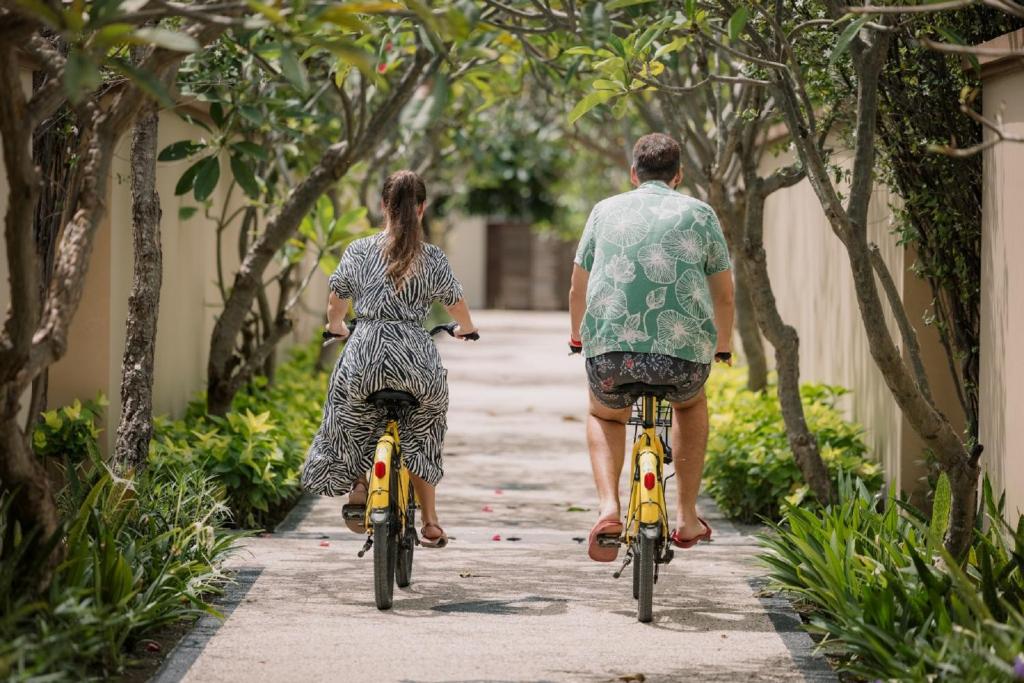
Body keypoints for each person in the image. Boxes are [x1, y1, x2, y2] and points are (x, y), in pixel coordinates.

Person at [568, 133, 735, 562]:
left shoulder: (604, 210)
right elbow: (724, 295)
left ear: (633, 173)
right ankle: (687, 516)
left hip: (611, 357)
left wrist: (577, 338)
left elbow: (577, 288)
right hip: (682, 359)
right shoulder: (701, 214)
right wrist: (723, 347)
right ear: (678, 175)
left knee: (603, 413)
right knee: (690, 406)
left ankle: (608, 509)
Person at [301, 170, 477, 548]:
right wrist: (466, 328)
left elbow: (336, 301)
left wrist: (336, 326)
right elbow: (456, 303)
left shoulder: (359, 251)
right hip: (416, 361)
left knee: (346, 413)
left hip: (364, 353)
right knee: (426, 427)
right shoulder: (431, 257)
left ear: (383, 205)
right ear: (421, 208)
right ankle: (430, 520)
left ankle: (359, 484)